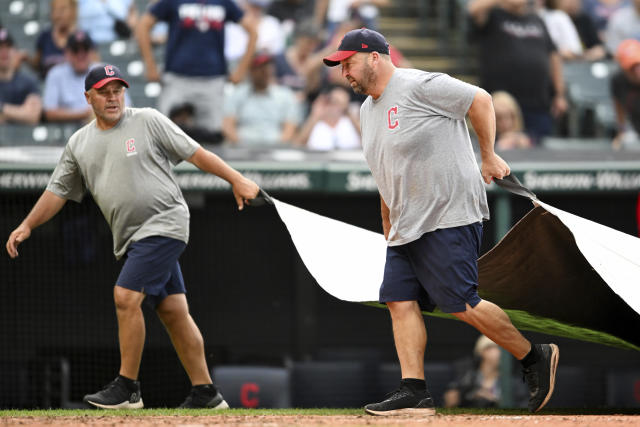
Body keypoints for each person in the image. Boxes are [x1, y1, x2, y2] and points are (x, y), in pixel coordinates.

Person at [322, 28, 560, 416]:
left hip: (448, 212)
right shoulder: (367, 110)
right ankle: (414, 390)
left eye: (348, 62)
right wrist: (387, 216)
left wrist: (487, 154)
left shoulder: (419, 84)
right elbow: (385, 167)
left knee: (461, 303)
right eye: (341, 65)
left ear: (374, 58)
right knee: (398, 302)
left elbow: (479, 100)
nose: (344, 72)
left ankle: (534, 356)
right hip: (405, 223)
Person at [5, 63, 260, 409]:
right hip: (132, 238)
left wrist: (236, 179)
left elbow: (196, 153)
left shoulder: (148, 120)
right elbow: (57, 191)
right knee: (173, 311)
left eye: (117, 90)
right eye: (104, 92)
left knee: (125, 296)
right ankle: (206, 393)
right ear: (88, 97)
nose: (112, 98)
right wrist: (28, 224)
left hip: (165, 223)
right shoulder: (79, 142)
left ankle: (128, 388)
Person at [136, 0, 258, 140]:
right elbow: (143, 25)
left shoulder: (223, 2)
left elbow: (253, 31)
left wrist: (241, 70)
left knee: (212, 138)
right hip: (177, 78)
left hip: (212, 80)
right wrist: (150, 65)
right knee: (166, 136)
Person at [468, 0, 568, 144]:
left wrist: (559, 93)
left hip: (537, 102)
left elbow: (553, 55)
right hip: (503, 106)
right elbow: (473, 10)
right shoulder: (493, 16)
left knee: (538, 150)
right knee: (502, 149)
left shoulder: (536, 19)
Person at [222, 53, 300, 146]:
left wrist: (277, 147)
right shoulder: (237, 94)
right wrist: (240, 145)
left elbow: (290, 129)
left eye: (268, 67)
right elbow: (227, 125)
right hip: (243, 148)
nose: (265, 71)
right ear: (251, 70)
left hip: (275, 148)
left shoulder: (285, 95)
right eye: (260, 67)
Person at [443, 335, 528, 408]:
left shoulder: (513, 382)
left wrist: (494, 402)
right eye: (499, 347)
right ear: (484, 351)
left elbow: (523, 407)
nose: (504, 352)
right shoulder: (466, 377)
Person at [295, 85, 361, 150]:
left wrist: (347, 110)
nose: (333, 106)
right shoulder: (316, 122)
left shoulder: (349, 121)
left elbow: (366, 137)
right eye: (330, 102)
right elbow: (298, 144)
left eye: (337, 102)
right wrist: (315, 114)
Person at [0, 28, 42, 125]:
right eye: (0, 47)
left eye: (8, 46)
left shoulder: (28, 82)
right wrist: (20, 113)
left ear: (15, 51)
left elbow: (33, 116)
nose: (4, 51)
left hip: (23, 139)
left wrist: (2, 109)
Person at [30, 0, 78, 79]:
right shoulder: (45, 36)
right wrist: (25, 58)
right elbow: (37, 66)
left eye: (63, 9)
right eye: (55, 9)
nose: (59, 14)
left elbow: (94, 67)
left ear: (72, 11)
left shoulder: (81, 38)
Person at [611, 38, 640, 147]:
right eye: (632, 67)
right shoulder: (618, 80)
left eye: (638, 64)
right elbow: (618, 107)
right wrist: (621, 132)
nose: (636, 70)